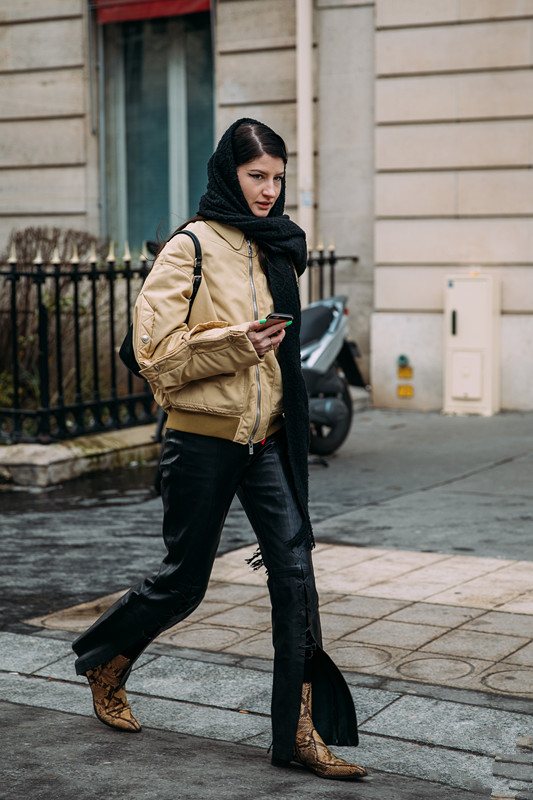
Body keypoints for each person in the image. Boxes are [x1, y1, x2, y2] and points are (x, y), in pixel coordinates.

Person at [72, 118, 367, 781]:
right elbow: (152, 356)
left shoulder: (278, 246)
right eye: (256, 176)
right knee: (184, 583)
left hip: (266, 442)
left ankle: (299, 733)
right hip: (201, 442)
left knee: (295, 577)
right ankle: (105, 658)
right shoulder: (190, 247)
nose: (268, 190)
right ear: (227, 174)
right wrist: (238, 342)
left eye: (278, 178)